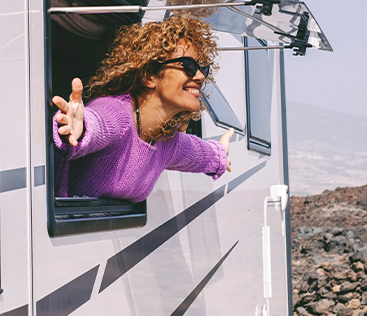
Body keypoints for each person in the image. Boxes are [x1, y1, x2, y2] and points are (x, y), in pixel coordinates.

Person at [52, 16, 233, 203]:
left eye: (202, 68)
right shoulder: (118, 113)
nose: (200, 76)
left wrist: (219, 154)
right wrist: (79, 128)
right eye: (188, 66)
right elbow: (98, 124)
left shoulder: (165, 141)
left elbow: (199, 154)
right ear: (149, 76)